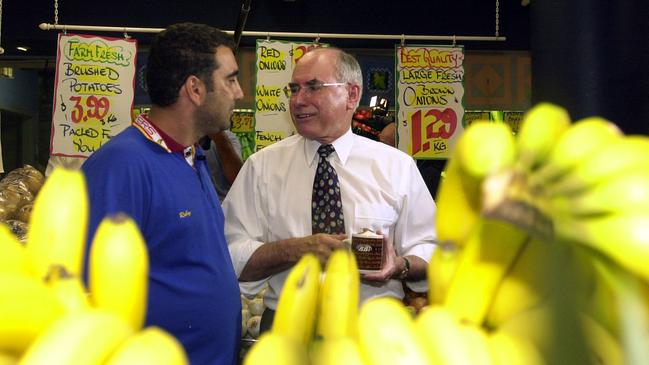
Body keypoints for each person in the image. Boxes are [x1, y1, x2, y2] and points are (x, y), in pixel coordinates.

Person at [223, 47, 437, 331]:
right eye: (294, 89)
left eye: (313, 87)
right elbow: (228, 251)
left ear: (351, 94)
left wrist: (400, 265)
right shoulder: (261, 167)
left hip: (375, 331)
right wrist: (296, 249)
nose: (298, 101)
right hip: (287, 327)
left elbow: (431, 247)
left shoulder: (397, 167)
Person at [81, 23, 244, 365]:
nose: (239, 92)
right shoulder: (121, 165)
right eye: (230, 79)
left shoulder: (192, 158)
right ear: (195, 90)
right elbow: (89, 290)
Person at [204, 130, 243, 202]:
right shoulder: (182, 137)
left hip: (221, 205)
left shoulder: (226, 137)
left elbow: (237, 180)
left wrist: (219, 136)